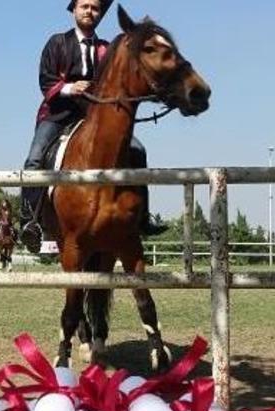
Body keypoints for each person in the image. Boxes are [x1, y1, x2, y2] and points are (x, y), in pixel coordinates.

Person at [18, 0, 167, 254]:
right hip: (58, 114)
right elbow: (46, 79)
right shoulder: (57, 42)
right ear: (74, 10)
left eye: (95, 8)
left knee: (137, 150)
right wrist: (70, 88)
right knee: (34, 158)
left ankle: (143, 217)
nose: (90, 11)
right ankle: (29, 221)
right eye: (85, 6)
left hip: (94, 116)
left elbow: (116, 82)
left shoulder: (106, 49)